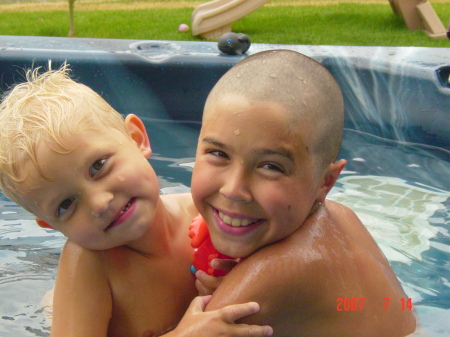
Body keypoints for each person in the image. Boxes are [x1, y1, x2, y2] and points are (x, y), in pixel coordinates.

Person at [0, 65, 274, 337]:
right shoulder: (90, 266)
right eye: (66, 204)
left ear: (136, 138)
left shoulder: (205, 213)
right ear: (49, 224)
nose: (99, 203)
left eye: (99, 166)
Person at [191, 49, 417, 336]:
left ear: (326, 181)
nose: (234, 190)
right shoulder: (341, 216)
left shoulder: (268, 278)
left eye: (271, 166)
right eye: (218, 153)